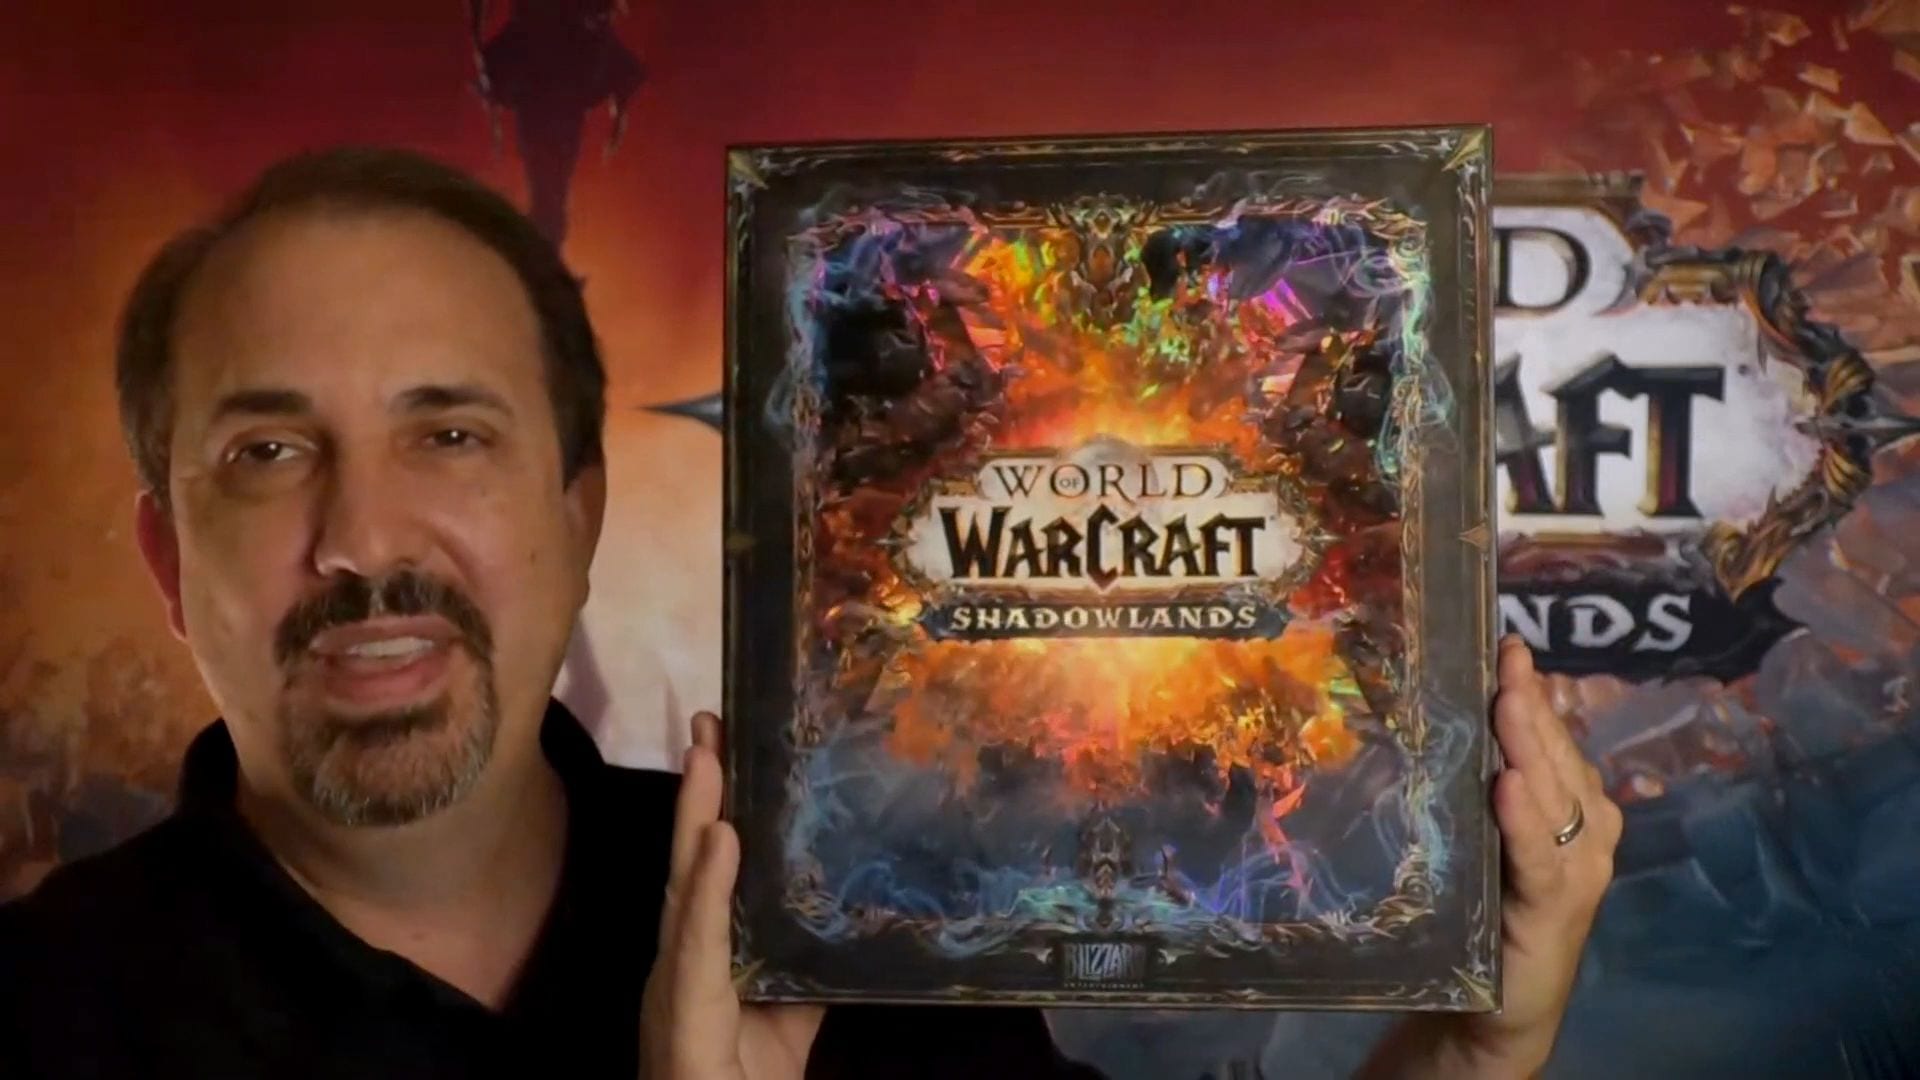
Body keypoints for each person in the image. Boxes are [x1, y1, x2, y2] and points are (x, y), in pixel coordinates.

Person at [0, 147, 1621, 1079]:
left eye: (451, 435)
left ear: (580, 515)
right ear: (167, 559)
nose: (361, 538)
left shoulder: (867, 918)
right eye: (268, 452)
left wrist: (1465, 1060)